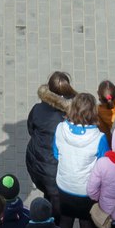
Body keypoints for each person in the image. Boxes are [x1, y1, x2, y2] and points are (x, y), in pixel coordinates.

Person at [53, 92, 108, 228]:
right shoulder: (99, 138)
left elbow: (55, 153)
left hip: (64, 186)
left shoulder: (60, 128)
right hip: (87, 191)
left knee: (66, 223)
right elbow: (103, 163)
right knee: (86, 225)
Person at [25, 71, 73, 206]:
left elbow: (30, 130)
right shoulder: (69, 117)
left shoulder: (37, 109)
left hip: (36, 164)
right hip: (55, 169)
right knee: (56, 203)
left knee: (49, 196)